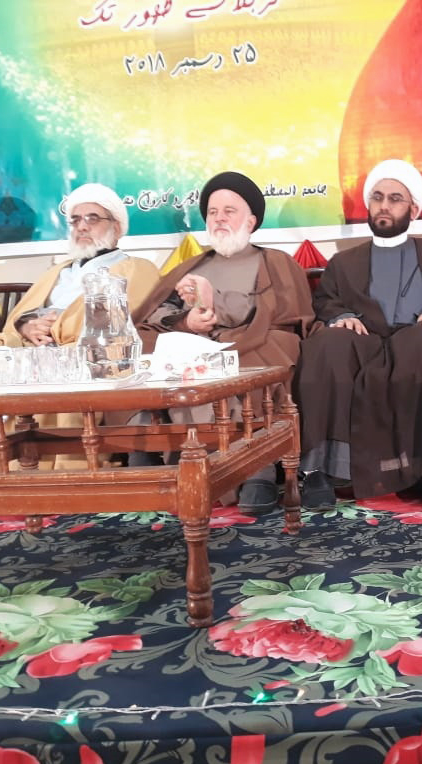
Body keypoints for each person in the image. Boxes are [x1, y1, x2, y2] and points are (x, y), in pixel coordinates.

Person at [294, 159, 422, 509]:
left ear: (413, 210)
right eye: (377, 197)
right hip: (364, 341)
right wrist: (343, 316)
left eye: (395, 199)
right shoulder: (344, 262)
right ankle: (319, 470)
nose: (384, 205)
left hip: (419, 339)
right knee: (326, 346)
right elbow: (326, 301)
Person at [136, 171, 315, 514]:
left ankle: (257, 470)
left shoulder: (275, 261)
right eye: (213, 212)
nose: (219, 218)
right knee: (147, 352)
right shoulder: (190, 266)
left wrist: (216, 302)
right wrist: (185, 322)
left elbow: (287, 313)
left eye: (229, 211)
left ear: (251, 221)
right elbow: (152, 316)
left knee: (270, 348)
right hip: (193, 344)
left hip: (251, 341)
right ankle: (168, 463)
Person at [0, 183, 160, 458]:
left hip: (84, 352)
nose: (82, 226)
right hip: (30, 350)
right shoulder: (59, 271)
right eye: (75, 220)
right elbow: (18, 319)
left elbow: (123, 322)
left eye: (93, 219)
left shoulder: (137, 268)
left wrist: (54, 328)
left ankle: (62, 471)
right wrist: (26, 326)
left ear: (117, 227)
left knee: (67, 371)